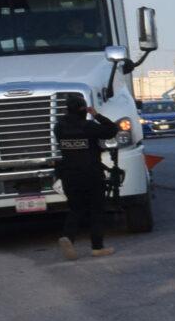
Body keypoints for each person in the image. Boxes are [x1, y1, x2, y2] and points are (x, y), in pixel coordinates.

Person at [51, 95, 123, 258]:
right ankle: (97, 247)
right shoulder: (88, 126)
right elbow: (112, 129)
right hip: (91, 174)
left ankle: (68, 237)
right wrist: (96, 115)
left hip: (69, 174)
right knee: (96, 210)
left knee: (76, 209)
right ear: (83, 109)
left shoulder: (59, 127)